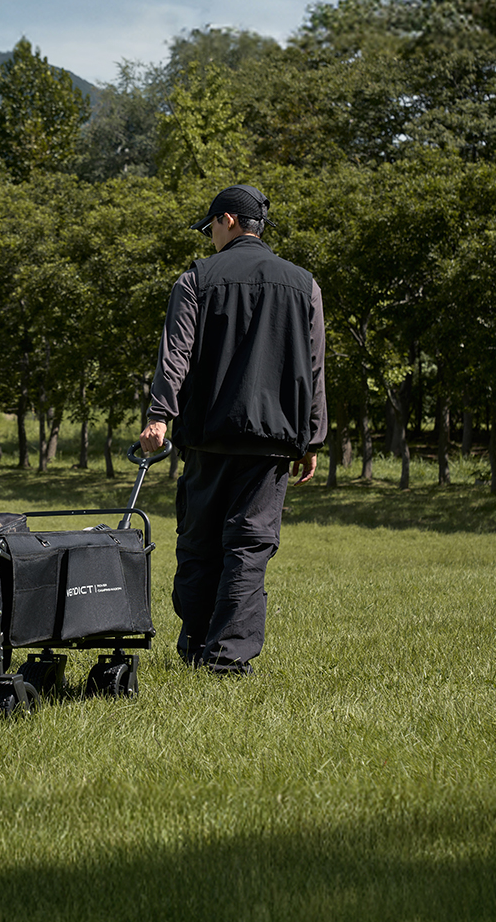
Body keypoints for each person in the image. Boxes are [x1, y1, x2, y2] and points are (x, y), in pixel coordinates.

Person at [139, 184, 326, 675]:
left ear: (227, 220)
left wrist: (160, 415)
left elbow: (175, 354)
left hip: (207, 436)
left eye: (211, 229)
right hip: (273, 444)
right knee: (248, 547)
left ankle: (196, 645)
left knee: (199, 541)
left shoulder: (194, 279)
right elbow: (314, 368)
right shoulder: (304, 285)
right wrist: (313, 438)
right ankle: (228, 660)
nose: (210, 239)